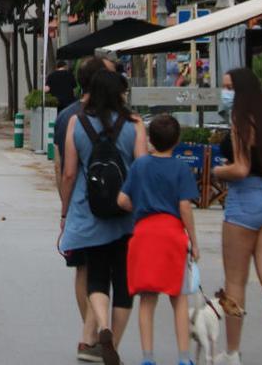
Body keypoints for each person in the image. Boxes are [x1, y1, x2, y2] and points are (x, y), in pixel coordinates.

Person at [60, 69, 148, 365]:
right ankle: (114, 344)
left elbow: (70, 172)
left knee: (96, 277)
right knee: (123, 284)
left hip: (90, 213)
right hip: (126, 215)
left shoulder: (77, 122)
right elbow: (142, 169)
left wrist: (64, 212)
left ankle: (102, 329)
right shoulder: (134, 124)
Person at [212, 68, 262, 365]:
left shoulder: (240, 120)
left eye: (230, 86)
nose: (226, 92)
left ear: (242, 90)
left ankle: (232, 352)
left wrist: (217, 170)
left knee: (235, 281)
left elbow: (241, 168)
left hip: (246, 199)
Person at [117, 114, 200, 365]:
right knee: (179, 298)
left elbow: (122, 200)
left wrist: (140, 206)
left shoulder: (140, 166)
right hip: (172, 234)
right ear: (177, 141)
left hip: (144, 234)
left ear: (150, 139)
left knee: (147, 299)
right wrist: (194, 242)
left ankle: (148, 357)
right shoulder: (181, 168)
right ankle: (184, 357)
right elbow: (185, 206)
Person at [52, 56, 116, 362]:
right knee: (108, 273)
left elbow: (62, 168)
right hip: (117, 209)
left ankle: (88, 331)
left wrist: (64, 209)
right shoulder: (125, 119)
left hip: (80, 206)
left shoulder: (68, 117)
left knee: (83, 270)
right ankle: (95, 331)